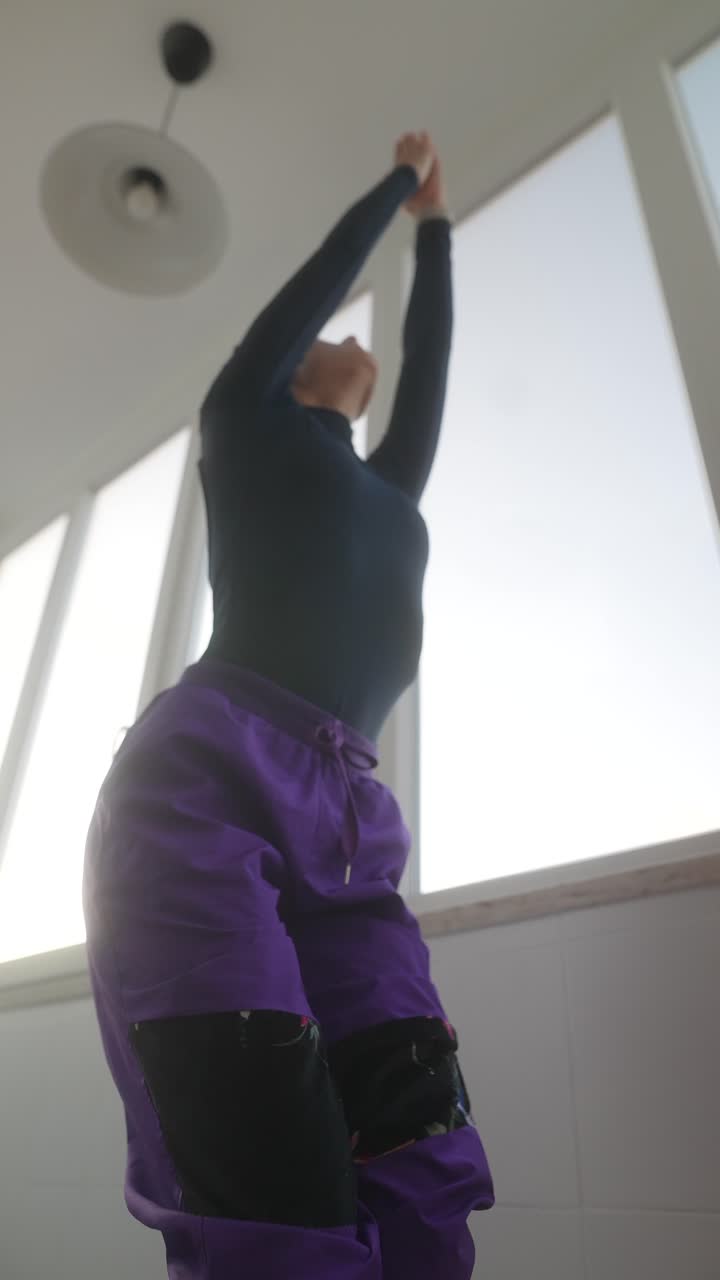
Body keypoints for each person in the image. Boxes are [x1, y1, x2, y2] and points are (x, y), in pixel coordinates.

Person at [82, 131, 494, 1280]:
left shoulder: (387, 481)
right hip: (206, 779)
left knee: (418, 1148)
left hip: (349, 815)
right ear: (296, 369)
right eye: (328, 337)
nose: (348, 335)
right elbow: (316, 277)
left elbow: (432, 357)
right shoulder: (245, 427)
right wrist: (400, 186)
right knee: (271, 1169)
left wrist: (440, 236)